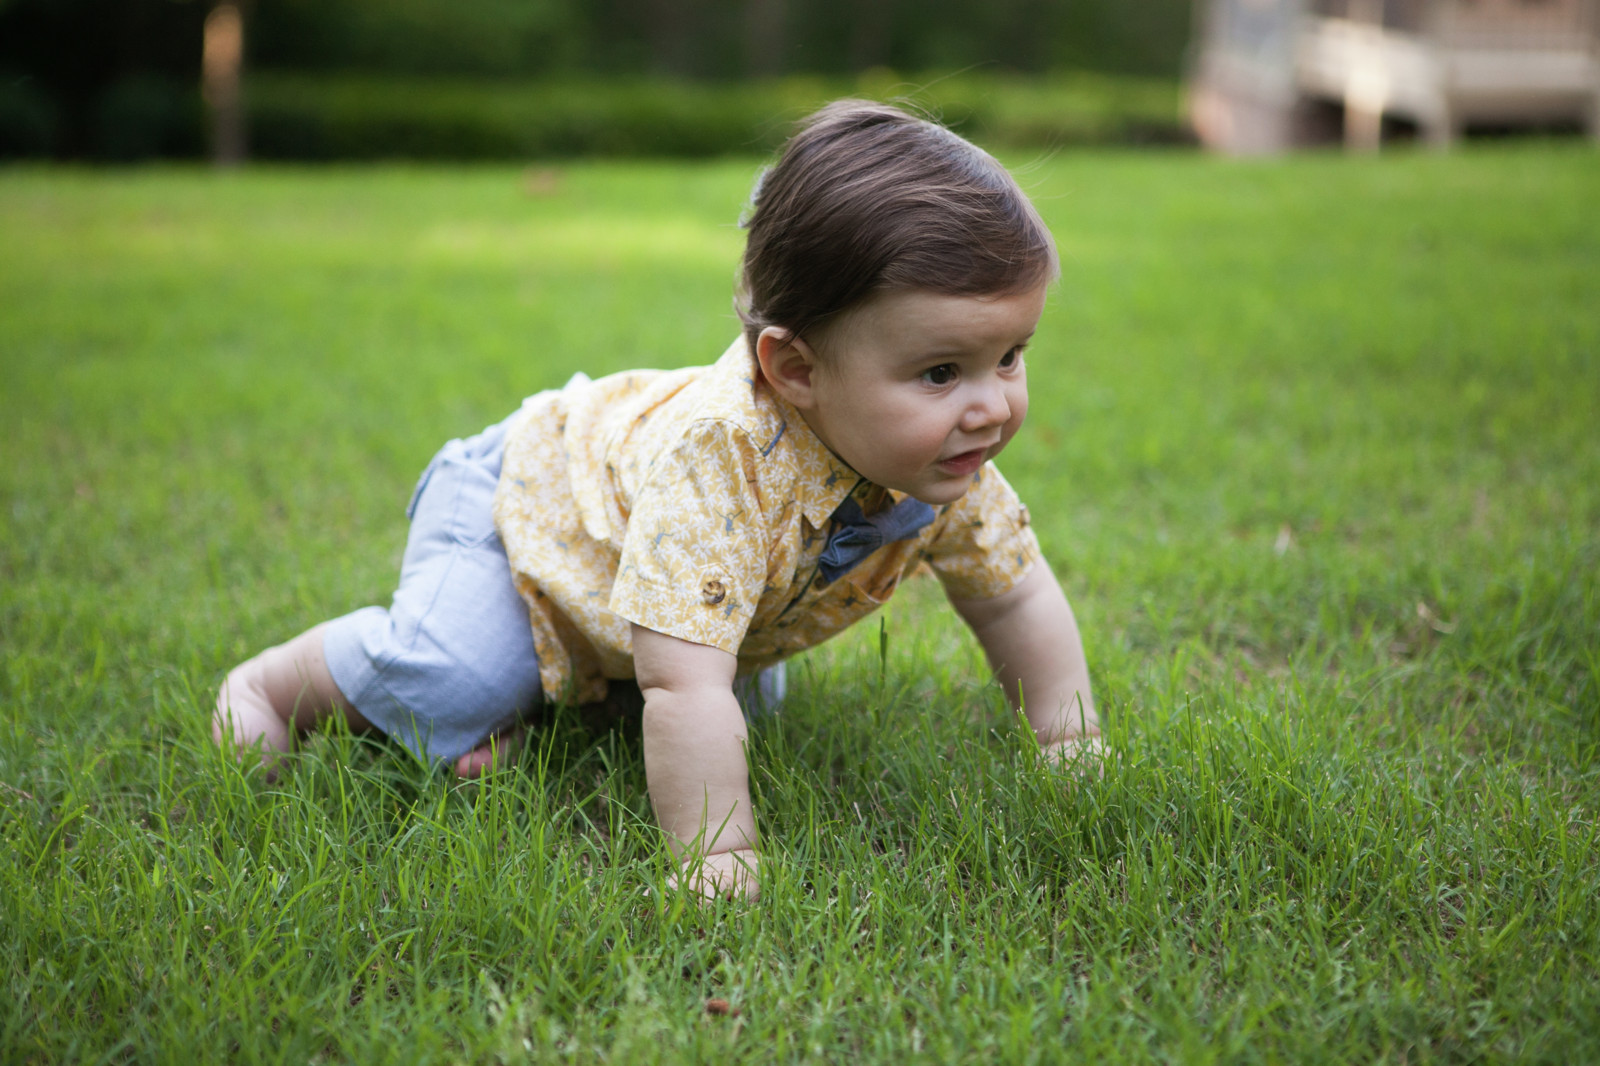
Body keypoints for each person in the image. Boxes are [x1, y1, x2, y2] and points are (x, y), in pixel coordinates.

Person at [214, 99, 1100, 900]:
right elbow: (682, 685)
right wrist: (717, 856)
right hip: (528, 512)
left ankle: (548, 711)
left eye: (1009, 357)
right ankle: (277, 686)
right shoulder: (718, 468)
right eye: (941, 372)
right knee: (462, 679)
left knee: (744, 710)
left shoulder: (946, 456)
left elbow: (1012, 593)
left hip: (655, 572)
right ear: (796, 369)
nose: (992, 407)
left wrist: (1070, 741)